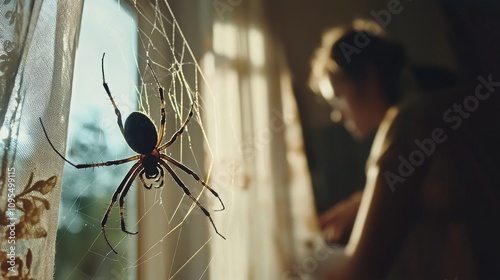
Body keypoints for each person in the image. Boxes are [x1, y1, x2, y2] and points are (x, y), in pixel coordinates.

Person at [309, 12, 500, 279]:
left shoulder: (406, 124)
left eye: (339, 96)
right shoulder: (438, 104)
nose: (337, 114)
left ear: (370, 78)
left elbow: (358, 274)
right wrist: (361, 201)